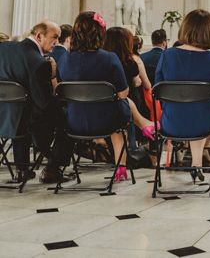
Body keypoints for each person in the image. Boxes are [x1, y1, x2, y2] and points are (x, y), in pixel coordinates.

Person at [57, 12, 135, 182]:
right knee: (121, 112)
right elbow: (123, 93)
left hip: (73, 122)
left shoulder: (64, 59)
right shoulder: (109, 58)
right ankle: (120, 166)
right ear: (100, 33)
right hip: (106, 122)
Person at [155, 9, 210, 181]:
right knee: (202, 110)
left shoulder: (167, 55)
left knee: (192, 110)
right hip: (203, 123)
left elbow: (157, 91)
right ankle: (196, 162)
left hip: (171, 123)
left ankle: (195, 163)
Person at [0, 20, 69, 184]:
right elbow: (43, 103)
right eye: (54, 37)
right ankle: (53, 167)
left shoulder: (4, 48)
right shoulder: (39, 62)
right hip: (26, 121)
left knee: (20, 111)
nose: (57, 42)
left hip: (5, 117)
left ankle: (22, 169)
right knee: (67, 119)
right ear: (39, 36)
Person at [102, 26, 157, 152]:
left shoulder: (101, 62)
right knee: (128, 99)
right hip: (123, 106)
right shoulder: (130, 62)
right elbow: (136, 83)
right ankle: (132, 144)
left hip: (99, 107)